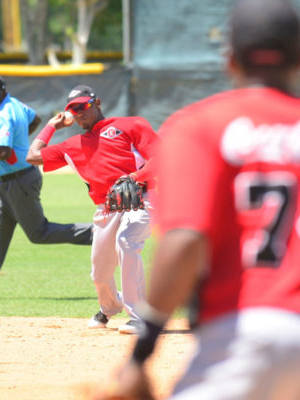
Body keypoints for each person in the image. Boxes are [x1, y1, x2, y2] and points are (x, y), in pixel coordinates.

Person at [95, 0, 300, 398]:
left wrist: (141, 357)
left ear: (230, 60)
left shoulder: (201, 126)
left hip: (243, 331)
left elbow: (186, 240)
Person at [26, 85, 159, 334]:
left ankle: (140, 316)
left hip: (142, 198)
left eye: (83, 106)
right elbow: (33, 156)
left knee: (127, 242)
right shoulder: (73, 144)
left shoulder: (130, 125)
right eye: (73, 110)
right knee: (100, 271)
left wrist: (135, 177)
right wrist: (52, 126)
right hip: (106, 208)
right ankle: (110, 307)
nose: (78, 113)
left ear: (97, 103)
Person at [0, 75, 93, 299]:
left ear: (1, 93)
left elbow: (3, 152)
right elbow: (35, 118)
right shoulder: (14, 104)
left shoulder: (1, 116)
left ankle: (97, 233)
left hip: (19, 181)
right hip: (10, 181)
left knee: (39, 233)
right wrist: (21, 141)